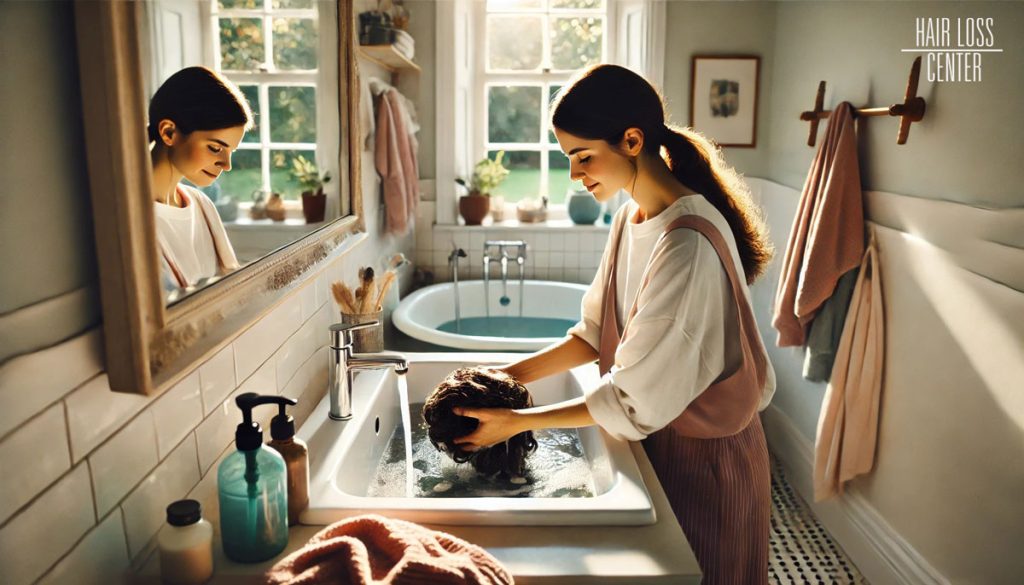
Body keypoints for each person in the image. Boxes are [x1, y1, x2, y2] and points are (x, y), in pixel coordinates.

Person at [452, 64, 777, 584]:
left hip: (706, 461)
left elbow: (629, 399)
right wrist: (503, 379)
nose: (576, 175)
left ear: (631, 140)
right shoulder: (633, 217)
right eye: (569, 159)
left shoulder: (686, 244)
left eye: (584, 156)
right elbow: (592, 334)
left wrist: (516, 422)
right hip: (659, 438)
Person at [148, 66, 253, 290]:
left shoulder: (202, 205)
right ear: (169, 133)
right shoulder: (134, 219)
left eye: (230, 152)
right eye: (215, 148)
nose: (227, 165)